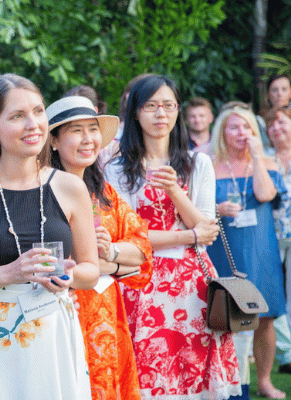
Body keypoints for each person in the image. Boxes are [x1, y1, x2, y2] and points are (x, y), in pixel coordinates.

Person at [0, 74, 99, 399]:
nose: (33, 124)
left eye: (38, 112)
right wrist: (9, 273)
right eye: (17, 116)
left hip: (54, 332)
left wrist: (68, 276)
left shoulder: (70, 187)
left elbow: (91, 270)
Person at [104, 74, 241, 399]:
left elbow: (206, 230)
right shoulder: (118, 167)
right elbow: (126, 237)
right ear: (135, 112)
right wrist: (187, 236)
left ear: (177, 110)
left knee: (191, 371)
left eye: (167, 105)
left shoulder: (198, 163)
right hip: (140, 283)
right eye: (151, 106)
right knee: (147, 374)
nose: (160, 114)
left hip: (193, 284)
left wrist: (175, 193)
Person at [46, 95, 152, 400]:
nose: (88, 139)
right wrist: (114, 266)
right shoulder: (42, 191)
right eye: (76, 130)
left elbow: (142, 252)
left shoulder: (103, 192)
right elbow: (52, 263)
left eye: (92, 129)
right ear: (53, 140)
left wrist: (111, 253)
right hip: (64, 309)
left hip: (106, 315)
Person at [206, 105, 286, 399]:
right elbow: (198, 210)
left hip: (260, 249)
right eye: (234, 127)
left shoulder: (268, 163)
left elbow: (265, 194)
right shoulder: (209, 166)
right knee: (225, 315)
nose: (241, 133)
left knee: (265, 317)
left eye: (247, 127)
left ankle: (263, 381)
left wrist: (256, 157)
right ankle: (228, 383)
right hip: (224, 250)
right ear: (222, 133)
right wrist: (217, 209)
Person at [267, 106, 291, 376]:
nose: (277, 128)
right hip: (271, 234)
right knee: (276, 294)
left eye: (282, 123)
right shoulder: (264, 157)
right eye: (271, 125)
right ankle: (287, 353)